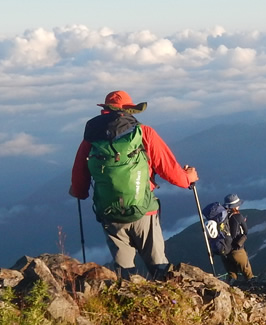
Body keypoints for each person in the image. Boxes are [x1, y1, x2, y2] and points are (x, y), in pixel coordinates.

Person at [69, 91, 198, 280]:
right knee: (158, 264)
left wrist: (80, 192)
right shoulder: (144, 133)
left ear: (105, 109)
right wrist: (189, 178)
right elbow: (168, 169)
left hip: (110, 212)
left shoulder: (91, 138)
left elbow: (79, 175)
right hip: (144, 209)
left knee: (124, 270)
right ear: (129, 110)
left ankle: (127, 299)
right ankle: (166, 301)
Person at [221, 193, 253, 281]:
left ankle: (231, 293)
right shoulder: (238, 216)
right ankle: (252, 292)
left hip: (225, 251)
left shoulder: (221, 217)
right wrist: (242, 222)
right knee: (248, 275)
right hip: (237, 251)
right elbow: (245, 232)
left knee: (232, 276)